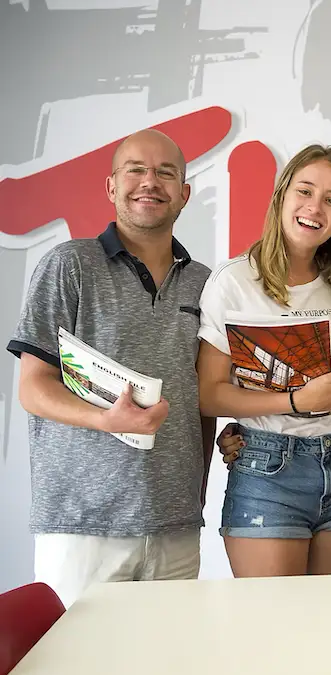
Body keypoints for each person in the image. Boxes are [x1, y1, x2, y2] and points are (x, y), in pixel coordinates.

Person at [8, 129, 215, 607]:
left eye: (166, 173)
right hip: (83, 525)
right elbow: (33, 388)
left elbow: (203, 396)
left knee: (168, 660)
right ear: (111, 187)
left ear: (184, 193)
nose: (150, 182)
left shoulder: (205, 283)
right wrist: (105, 418)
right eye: (136, 170)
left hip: (176, 524)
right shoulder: (69, 265)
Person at [197, 144, 331, 577]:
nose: (315, 207)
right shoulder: (234, 281)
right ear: (281, 196)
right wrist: (294, 402)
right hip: (267, 471)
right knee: (272, 633)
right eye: (305, 191)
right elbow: (209, 394)